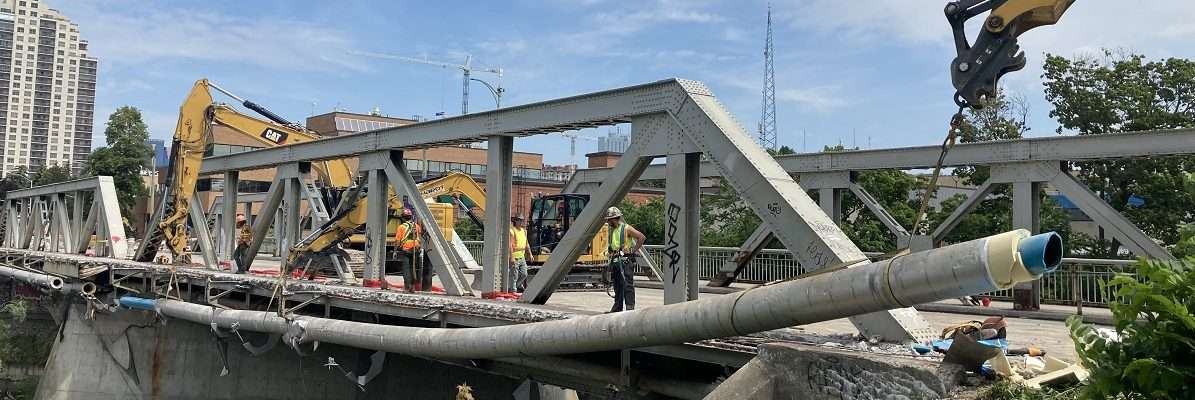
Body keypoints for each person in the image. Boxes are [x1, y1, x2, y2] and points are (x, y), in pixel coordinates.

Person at [605, 206, 645, 312]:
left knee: (627, 285)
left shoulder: (626, 228)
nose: (608, 222)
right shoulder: (613, 231)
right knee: (617, 286)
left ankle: (630, 308)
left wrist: (633, 250)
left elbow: (641, 237)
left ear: (614, 218)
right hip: (616, 261)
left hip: (625, 261)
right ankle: (617, 308)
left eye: (609, 220)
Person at [387, 208, 422, 292]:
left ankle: (407, 287)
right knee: (413, 268)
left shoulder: (401, 227)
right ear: (410, 217)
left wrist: (395, 251)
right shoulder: (416, 226)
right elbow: (419, 236)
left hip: (406, 250)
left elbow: (397, 240)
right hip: (415, 249)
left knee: (406, 269)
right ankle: (413, 286)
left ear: (403, 218)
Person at [508, 215, 532, 293]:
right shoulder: (512, 231)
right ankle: (513, 290)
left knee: (524, 274)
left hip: (522, 256)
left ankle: (515, 287)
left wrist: (530, 254)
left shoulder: (524, 231)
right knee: (514, 275)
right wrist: (511, 257)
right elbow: (510, 245)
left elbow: (526, 243)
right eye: (519, 220)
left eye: (522, 220)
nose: (521, 222)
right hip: (515, 256)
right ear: (515, 221)